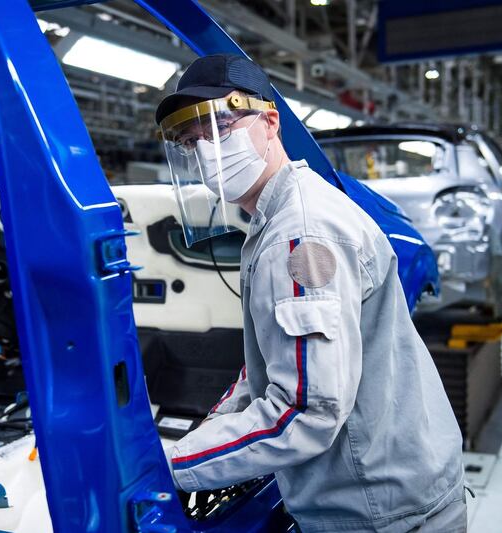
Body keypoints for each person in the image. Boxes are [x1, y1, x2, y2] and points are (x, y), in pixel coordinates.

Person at [155, 54, 466, 533]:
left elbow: (307, 410)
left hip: (379, 514)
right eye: (191, 141)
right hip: (388, 497)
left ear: (269, 122)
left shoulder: (299, 233)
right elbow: (280, 358)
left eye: (219, 126)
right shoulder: (284, 214)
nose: (206, 152)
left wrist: (172, 467)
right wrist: (207, 433)